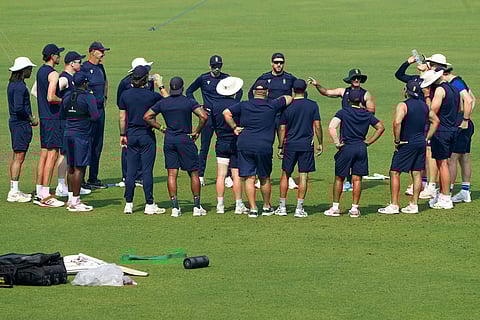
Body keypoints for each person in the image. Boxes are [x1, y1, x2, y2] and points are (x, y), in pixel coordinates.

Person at [223, 80, 293, 218]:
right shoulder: (272, 105)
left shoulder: (244, 105)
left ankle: (253, 208)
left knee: (249, 178)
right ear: (267, 92)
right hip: (264, 146)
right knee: (264, 177)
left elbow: (226, 113)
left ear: (254, 91)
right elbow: (288, 98)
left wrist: (235, 127)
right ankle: (266, 206)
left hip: (245, 144)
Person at [144, 77, 208, 217]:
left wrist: (161, 128)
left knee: (172, 174)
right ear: (182, 88)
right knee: (194, 173)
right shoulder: (188, 101)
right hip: (185, 139)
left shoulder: (163, 102)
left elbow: (147, 116)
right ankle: (197, 207)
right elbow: (203, 116)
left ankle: (175, 208)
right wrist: (197, 131)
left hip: (170, 140)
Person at [308, 69, 376, 192]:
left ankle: (350, 181)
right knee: (345, 153)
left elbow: (372, 111)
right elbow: (327, 92)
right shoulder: (343, 91)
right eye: (354, 78)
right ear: (350, 80)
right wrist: (317, 85)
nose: (356, 80)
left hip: (357, 127)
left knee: (350, 153)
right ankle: (349, 180)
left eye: (358, 78)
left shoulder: (366, 94)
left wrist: (361, 109)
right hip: (345, 127)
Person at [378, 79, 439, 214]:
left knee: (395, 171)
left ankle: (394, 205)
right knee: (417, 173)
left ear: (407, 91)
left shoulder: (403, 105)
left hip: (407, 142)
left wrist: (397, 140)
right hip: (420, 142)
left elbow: (397, 122)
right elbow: (436, 121)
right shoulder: (425, 106)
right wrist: (427, 137)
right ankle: (414, 204)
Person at [323, 88, 384, 218]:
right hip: (361, 147)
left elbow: (332, 127)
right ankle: (355, 209)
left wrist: (337, 143)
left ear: (348, 100)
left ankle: (335, 207)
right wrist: (369, 142)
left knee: (339, 177)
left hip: (347, 147)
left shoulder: (343, 112)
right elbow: (380, 127)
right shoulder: (367, 114)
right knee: (357, 179)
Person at [186, 55, 243, 187]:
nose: (217, 69)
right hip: (208, 116)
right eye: (214, 66)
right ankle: (200, 175)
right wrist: (197, 107)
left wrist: (234, 105)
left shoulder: (227, 78)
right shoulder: (203, 78)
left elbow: (239, 91)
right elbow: (189, 91)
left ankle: (228, 175)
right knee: (204, 146)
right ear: (210, 66)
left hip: (223, 116)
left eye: (219, 66)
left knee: (227, 143)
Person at [119, 66, 166, 215]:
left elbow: (122, 117)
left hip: (131, 134)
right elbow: (169, 100)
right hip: (146, 134)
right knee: (147, 171)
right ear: (146, 79)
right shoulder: (150, 96)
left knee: (131, 170)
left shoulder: (125, 95)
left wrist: (122, 134)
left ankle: (129, 203)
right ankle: (149, 203)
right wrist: (160, 85)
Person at [248, 52, 299, 190]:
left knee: (287, 146)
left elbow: (301, 91)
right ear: (271, 63)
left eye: (281, 62)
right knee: (265, 145)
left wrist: (293, 106)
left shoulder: (289, 78)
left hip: (285, 117)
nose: (278, 65)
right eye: (276, 62)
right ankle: (261, 176)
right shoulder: (264, 78)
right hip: (269, 117)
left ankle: (288, 177)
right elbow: (251, 92)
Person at [275, 79, 323, 218]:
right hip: (306, 145)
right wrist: (320, 143)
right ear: (305, 90)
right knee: (303, 176)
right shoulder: (312, 105)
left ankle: (282, 207)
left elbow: (282, 128)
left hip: (290, 144)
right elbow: (317, 125)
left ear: (293, 90)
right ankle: (299, 208)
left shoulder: (288, 106)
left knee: (285, 174)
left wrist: (280, 145)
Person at [60, 71, 100, 211]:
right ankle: (76, 202)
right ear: (84, 83)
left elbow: (61, 115)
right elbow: (95, 116)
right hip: (81, 135)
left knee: (70, 166)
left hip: (67, 134)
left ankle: (71, 199)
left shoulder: (66, 97)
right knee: (79, 167)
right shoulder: (89, 98)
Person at [420, 68, 459, 209]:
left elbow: (432, 111)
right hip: (452, 129)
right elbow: (459, 107)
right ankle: (443, 195)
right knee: (445, 164)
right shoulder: (454, 89)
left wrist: (426, 97)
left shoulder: (440, 91)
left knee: (442, 165)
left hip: (441, 131)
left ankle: (445, 197)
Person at [54, 51, 91, 199]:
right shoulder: (64, 78)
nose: (80, 64)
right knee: (65, 155)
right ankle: (61, 185)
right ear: (71, 63)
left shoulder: (71, 78)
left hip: (69, 120)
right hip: (68, 121)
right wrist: (58, 102)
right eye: (78, 62)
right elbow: (45, 92)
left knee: (69, 156)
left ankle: (72, 186)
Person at [32, 43, 65, 207]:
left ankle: (40, 191)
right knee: (52, 155)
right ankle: (45, 195)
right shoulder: (53, 74)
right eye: (58, 54)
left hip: (45, 118)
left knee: (45, 155)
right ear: (52, 56)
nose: (59, 57)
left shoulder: (40, 71)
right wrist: (64, 100)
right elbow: (51, 97)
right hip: (53, 118)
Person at [212, 76, 249, 214]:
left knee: (221, 175)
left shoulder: (214, 106)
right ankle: (238, 204)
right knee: (236, 175)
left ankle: (220, 205)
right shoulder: (237, 106)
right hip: (235, 142)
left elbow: (214, 124)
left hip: (221, 141)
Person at [7, 57, 37, 203]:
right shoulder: (19, 87)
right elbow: (19, 107)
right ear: (23, 70)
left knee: (16, 157)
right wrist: (31, 118)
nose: (30, 71)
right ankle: (13, 191)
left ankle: (14, 189)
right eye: (29, 69)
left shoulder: (12, 84)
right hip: (20, 124)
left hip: (15, 123)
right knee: (19, 157)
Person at [80, 41, 110, 189]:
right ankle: (82, 179)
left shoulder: (101, 67)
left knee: (98, 144)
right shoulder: (84, 68)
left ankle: (93, 177)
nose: (103, 54)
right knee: (88, 143)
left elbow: (105, 83)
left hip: (100, 110)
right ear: (91, 51)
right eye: (100, 51)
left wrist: (104, 99)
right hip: (88, 113)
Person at [444, 68, 475, 203]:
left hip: (461, 125)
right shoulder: (460, 82)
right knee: (464, 158)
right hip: (465, 125)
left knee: (452, 159)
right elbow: (472, 98)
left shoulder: (456, 83)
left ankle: (448, 193)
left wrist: (464, 118)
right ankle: (465, 191)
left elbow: (469, 100)